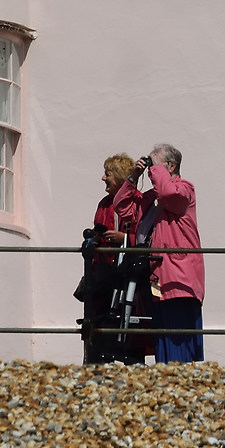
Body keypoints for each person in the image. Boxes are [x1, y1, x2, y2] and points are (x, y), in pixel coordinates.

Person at [79, 153, 151, 364]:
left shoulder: (138, 201)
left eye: (107, 174)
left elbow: (144, 236)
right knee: (98, 320)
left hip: (127, 276)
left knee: (128, 324)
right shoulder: (104, 203)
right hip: (104, 272)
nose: (103, 178)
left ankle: (130, 360)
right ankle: (96, 359)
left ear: (119, 177)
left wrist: (124, 238)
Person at [140, 143, 204, 363]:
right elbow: (124, 207)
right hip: (158, 278)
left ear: (172, 165)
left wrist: (156, 168)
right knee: (163, 340)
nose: (152, 171)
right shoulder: (155, 197)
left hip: (179, 278)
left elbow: (169, 193)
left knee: (179, 341)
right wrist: (133, 177)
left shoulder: (184, 189)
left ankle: (181, 388)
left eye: (156, 165)